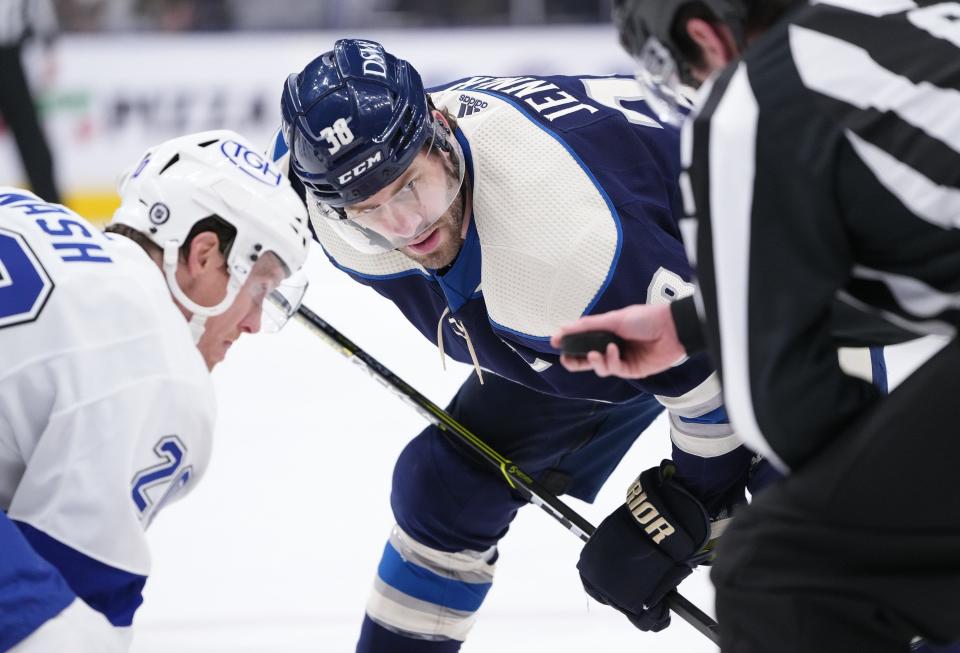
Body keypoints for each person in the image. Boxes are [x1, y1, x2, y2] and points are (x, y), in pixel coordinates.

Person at [272, 37, 886, 651]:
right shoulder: (330, 196)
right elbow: (252, 186)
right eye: (370, 210)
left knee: (828, 549)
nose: (410, 227)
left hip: (782, 282)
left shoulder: (566, 246)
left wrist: (687, 505)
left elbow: (709, 382)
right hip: (630, 296)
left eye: (412, 186)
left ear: (440, 126)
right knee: (447, 487)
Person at [552, 1, 960, 651]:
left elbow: (794, 420)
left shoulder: (751, 100)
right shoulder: (900, 19)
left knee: (776, 567)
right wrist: (694, 323)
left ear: (701, 35)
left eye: (683, 75)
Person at [0, 129, 311, 652]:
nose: (255, 322)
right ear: (205, 254)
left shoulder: (26, 212)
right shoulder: (160, 368)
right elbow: (82, 589)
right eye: (259, 288)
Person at [0, 0, 61, 203]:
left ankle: (50, 205)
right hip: (11, 57)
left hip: (10, 57)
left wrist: (48, 49)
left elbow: (40, 13)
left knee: (31, 140)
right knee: (30, 139)